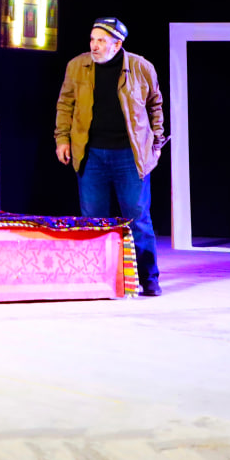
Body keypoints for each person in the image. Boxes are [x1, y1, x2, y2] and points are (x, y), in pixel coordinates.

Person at [54, 17, 166, 296]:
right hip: (91, 154)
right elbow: (65, 104)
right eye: (92, 39)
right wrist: (62, 139)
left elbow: (155, 105)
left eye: (101, 41)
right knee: (93, 219)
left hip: (130, 155)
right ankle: (95, 277)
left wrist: (156, 142)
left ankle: (148, 278)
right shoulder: (77, 66)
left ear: (117, 44)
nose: (94, 45)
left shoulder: (141, 67)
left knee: (138, 218)